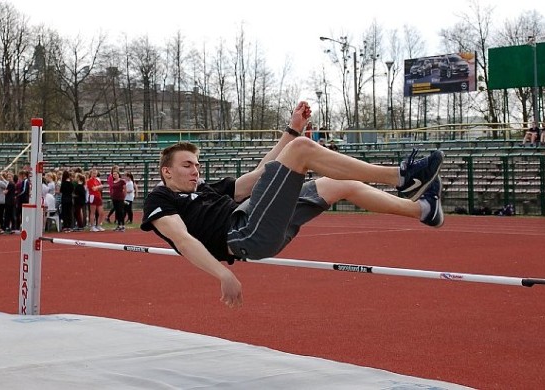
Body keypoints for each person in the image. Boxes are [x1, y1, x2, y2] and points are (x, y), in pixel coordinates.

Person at [141, 101, 444, 309]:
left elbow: (260, 177)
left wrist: (292, 130)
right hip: (244, 233)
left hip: (255, 219)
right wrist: (223, 274)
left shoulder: (206, 189)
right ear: (166, 171)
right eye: (187, 165)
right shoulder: (160, 199)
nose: (195, 170)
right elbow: (182, 239)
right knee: (300, 152)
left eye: (196, 164)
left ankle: (423, 210)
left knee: (339, 185)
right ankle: (400, 176)